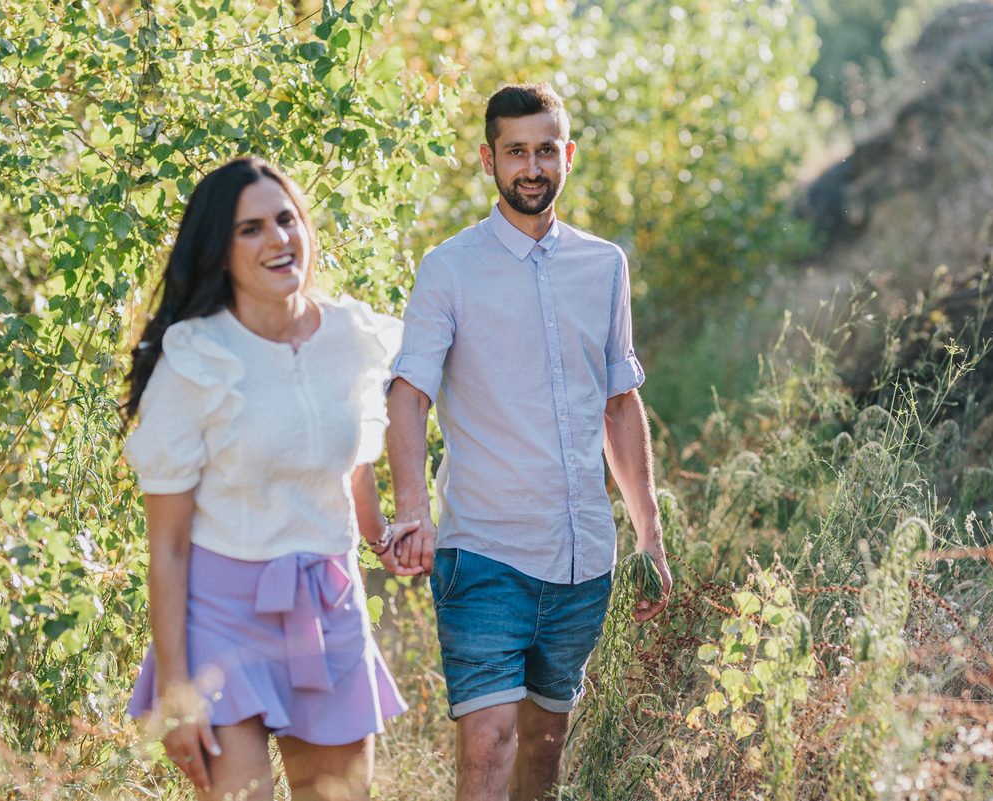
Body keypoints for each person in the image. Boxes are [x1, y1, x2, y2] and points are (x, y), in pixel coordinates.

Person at [385, 84, 674, 801]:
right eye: (517, 151)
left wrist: (650, 536)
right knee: (488, 742)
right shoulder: (448, 268)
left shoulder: (604, 266)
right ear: (489, 160)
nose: (533, 166)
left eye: (547, 149)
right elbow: (407, 395)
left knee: (543, 748)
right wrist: (414, 508)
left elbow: (619, 404)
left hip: (580, 557)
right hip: (482, 551)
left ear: (567, 155)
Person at [121, 157, 421, 801]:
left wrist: (379, 534)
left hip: (328, 604)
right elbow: (168, 547)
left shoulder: (349, 337)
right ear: (219, 251)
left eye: (286, 220)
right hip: (221, 614)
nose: (279, 240)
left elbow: (350, 457)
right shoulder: (195, 359)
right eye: (250, 229)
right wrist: (178, 693)